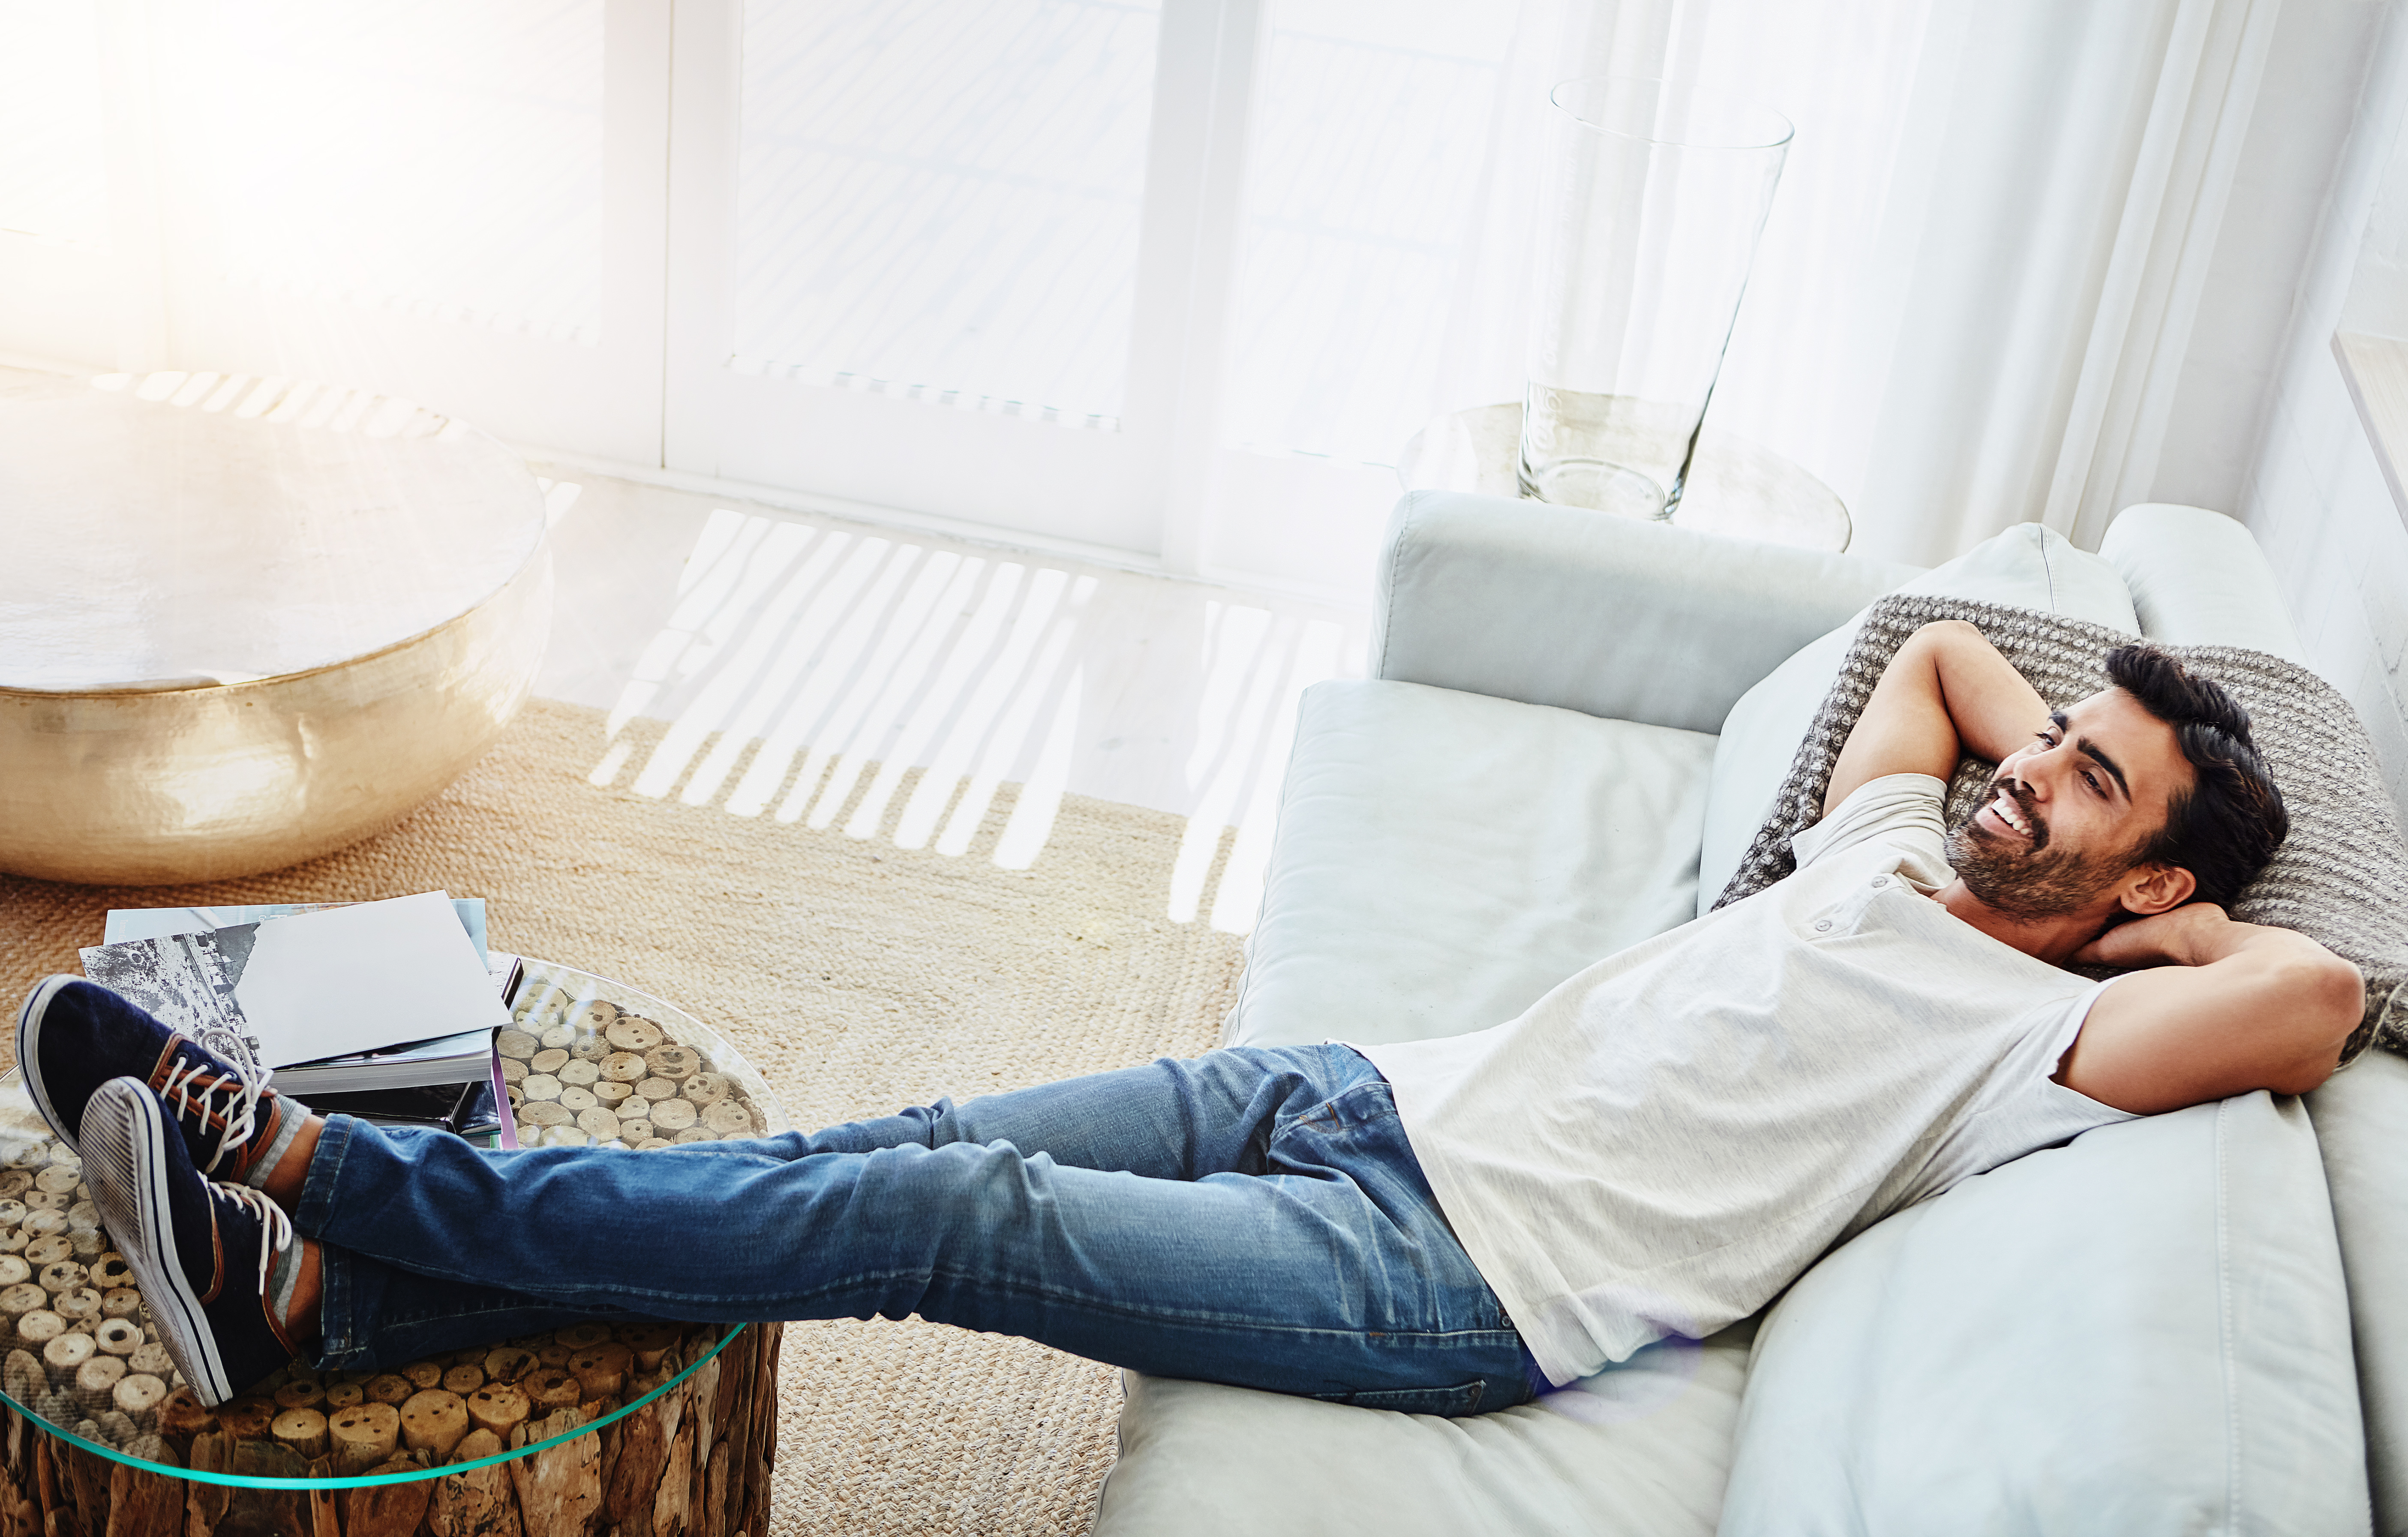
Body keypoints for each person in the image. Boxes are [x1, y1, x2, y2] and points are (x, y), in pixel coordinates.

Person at [17, 627, 2365, 1413]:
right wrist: (2068, 725)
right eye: (2049, 739)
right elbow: (1942, 651)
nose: (2019, 765)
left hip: (1464, 1277)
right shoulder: (1883, 844)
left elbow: (2323, 989)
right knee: (900, 1133)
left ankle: (321, 1166)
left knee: (931, 1206)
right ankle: (326, 1302)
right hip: (1357, 1093)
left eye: (2089, 786)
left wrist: (2145, 940)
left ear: (2150, 871)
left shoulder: (2023, 1044)